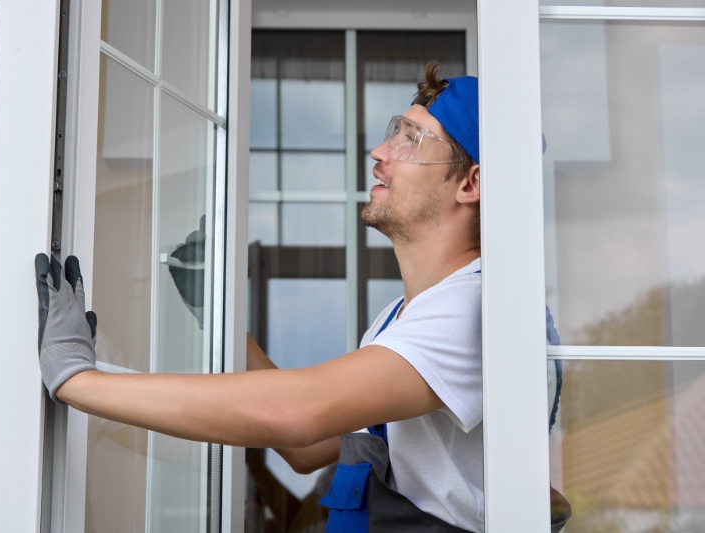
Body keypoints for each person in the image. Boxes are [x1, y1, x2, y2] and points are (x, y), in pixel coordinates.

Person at [34, 62, 540, 532]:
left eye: (412, 139)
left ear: (471, 183)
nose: (381, 153)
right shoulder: (403, 316)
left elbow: (297, 414)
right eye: (395, 132)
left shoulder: (474, 310)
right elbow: (310, 447)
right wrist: (220, 317)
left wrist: (77, 379)